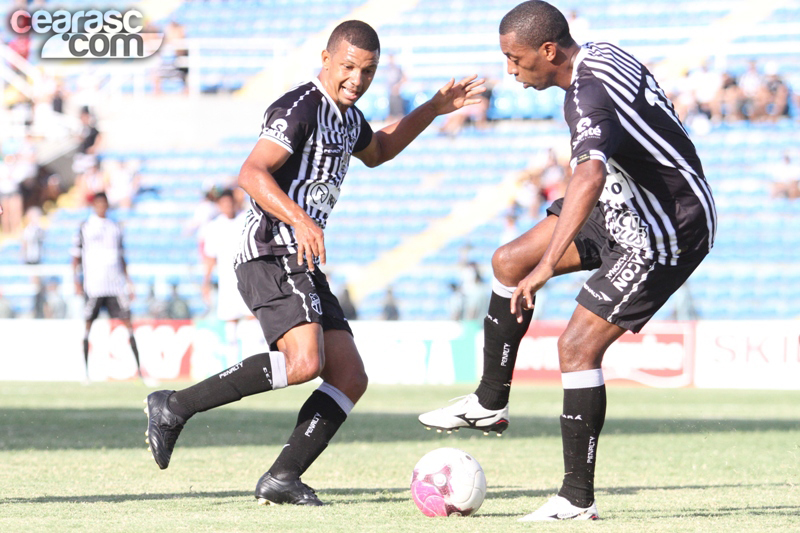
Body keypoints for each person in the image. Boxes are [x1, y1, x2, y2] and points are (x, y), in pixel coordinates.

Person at [144, 19, 484, 507]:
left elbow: (380, 151)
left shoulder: (348, 118)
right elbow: (251, 172)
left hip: (300, 252)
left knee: (350, 377)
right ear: (326, 60)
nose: (356, 80)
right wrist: (301, 219)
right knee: (305, 362)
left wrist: (432, 107)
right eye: (348, 67)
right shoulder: (300, 107)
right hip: (271, 245)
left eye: (368, 71)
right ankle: (174, 406)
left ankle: (282, 477)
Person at [418, 1, 716, 522]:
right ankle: (490, 402)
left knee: (576, 348)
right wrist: (535, 263)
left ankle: (577, 499)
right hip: (628, 205)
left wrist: (548, 266)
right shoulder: (600, 54)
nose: (510, 71)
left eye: (515, 59)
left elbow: (589, 176)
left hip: (667, 227)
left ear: (549, 50)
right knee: (509, 260)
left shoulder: (585, 94)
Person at [72, 192, 143, 383]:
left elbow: (121, 256)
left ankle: (140, 372)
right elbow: (75, 257)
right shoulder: (85, 227)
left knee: (128, 323)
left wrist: (129, 281)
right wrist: (76, 281)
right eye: (98, 204)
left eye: (104, 203)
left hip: (115, 286)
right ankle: (85, 373)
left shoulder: (115, 227)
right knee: (88, 326)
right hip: (94, 286)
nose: (101, 207)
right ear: (93, 205)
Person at [201, 189, 252, 357]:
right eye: (223, 203)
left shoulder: (245, 219)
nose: (227, 206)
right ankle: (233, 363)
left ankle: (253, 360)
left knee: (252, 320)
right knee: (231, 323)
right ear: (219, 205)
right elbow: (210, 257)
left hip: (248, 278)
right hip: (227, 280)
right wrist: (206, 282)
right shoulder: (214, 227)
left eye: (229, 203)